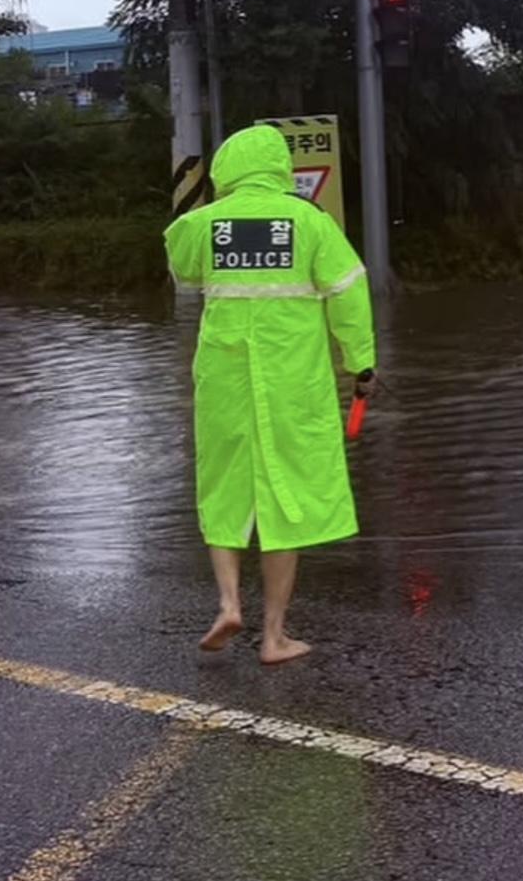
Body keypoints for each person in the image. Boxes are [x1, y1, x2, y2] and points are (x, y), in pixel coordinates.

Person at [163, 124, 376, 665]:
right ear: (280, 166)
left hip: (224, 381)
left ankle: (229, 603)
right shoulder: (310, 222)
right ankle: (274, 636)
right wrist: (361, 365)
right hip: (292, 382)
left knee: (223, 487)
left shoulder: (202, 224)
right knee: (288, 496)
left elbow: (181, 267)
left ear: (228, 168)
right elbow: (349, 294)